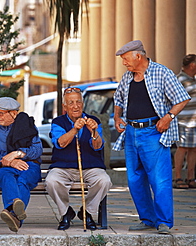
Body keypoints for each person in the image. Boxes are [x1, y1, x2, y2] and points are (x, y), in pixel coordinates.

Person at [113, 40, 191, 234]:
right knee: (134, 179)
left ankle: (164, 221)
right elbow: (118, 98)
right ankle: (147, 218)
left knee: (159, 179)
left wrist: (168, 117)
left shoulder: (162, 72)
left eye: (125, 59)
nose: (124, 63)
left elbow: (182, 98)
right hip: (131, 132)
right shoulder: (127, 77)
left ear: (138, 56)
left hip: (153, 131)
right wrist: (116, 116)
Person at [45, 87, 112, 231]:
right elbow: (60, 143)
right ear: (65, 106)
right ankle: (65, 213)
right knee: (52, 181)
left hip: (91, 166)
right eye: (71, 103)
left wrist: (94, 132)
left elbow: (98, 146)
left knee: (104, 181)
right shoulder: (58, 122)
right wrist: (74, 130)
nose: (75, 106)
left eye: (78, 102)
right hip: (63, 167)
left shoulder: (93, 120)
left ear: (82, 103)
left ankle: (87, 212)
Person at [0, 97, 42, 232]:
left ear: (13, 113)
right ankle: (15, 213)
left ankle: (12, 212)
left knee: (23, 180)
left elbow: (37, 150)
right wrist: (11, 162)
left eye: (1, 113)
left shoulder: (28, 127)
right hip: (6, 169)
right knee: (6, 176)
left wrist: (18, 154)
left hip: (29, 166)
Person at [173, 54, 196, 189]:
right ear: (192, 65)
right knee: (182, 148)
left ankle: (190, 178)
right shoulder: (179, 80)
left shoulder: (193, 79)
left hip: (194, 121)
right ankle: (178, 178)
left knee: (193, 149)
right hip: (182, 121)